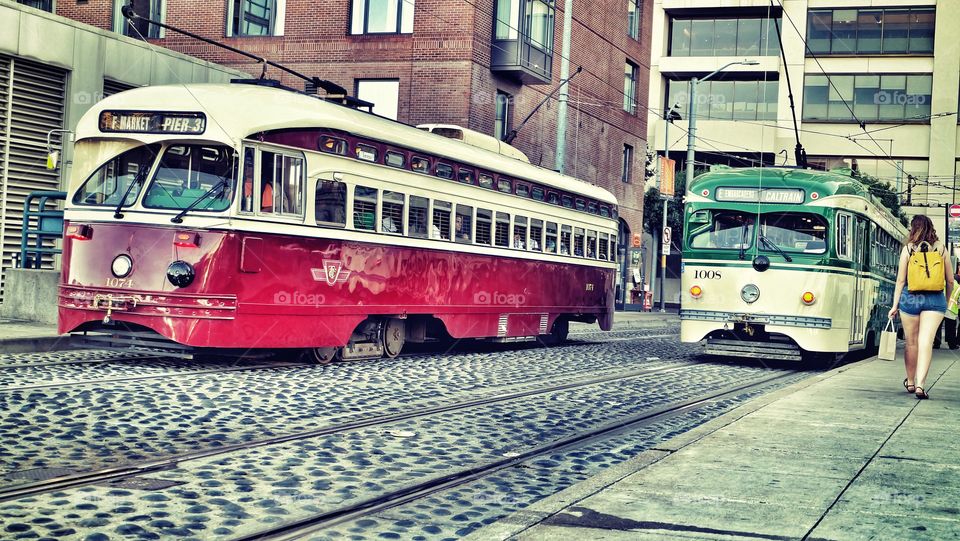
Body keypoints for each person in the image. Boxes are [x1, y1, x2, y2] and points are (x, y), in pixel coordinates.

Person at [889, 215, 953, 400]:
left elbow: (901, 280)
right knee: (926, 342)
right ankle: (920, 385)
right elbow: (950, 280)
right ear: (931, 227)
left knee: (911, 342)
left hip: (910, 299)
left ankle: (909, 381)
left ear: (913, 228)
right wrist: (946, 301)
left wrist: (895, 305)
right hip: (935, 300)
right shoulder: (941, 248)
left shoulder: (908, 249)